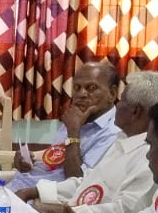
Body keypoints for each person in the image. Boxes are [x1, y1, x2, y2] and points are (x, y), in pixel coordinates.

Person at [20, 71, 158, 213]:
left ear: (135, 112)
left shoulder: (150, 156)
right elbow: (87, 181)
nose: (117, 105)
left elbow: (126, 210)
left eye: (121, 101)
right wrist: (35, 191)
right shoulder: (123, 139)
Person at [7, 61, 122, 190]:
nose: (81, 94)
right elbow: (58, 155)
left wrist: (73, 133)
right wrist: (31, 159)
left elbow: (78, 183)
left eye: (91, 88)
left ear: (112, 94)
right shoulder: (78, 116)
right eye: (77, 88)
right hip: (19, 185)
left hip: (40, 197)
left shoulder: (114, 133)